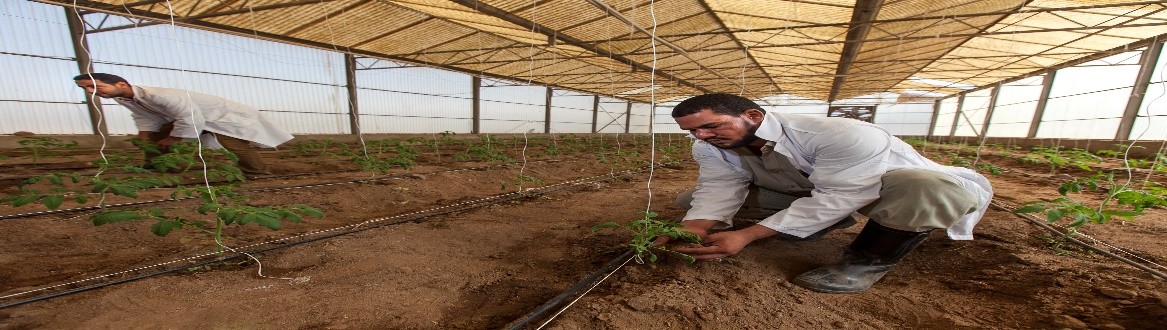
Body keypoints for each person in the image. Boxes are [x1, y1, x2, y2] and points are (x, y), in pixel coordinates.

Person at [665, 93, 993, 293]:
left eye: (712, 126)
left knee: (923, 184)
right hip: (825, 190)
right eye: (692, 131)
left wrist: (747, 235)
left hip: (891, 193)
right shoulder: (711, 147)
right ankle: (818, 224)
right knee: (690, 204)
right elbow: (720, 187)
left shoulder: (840, 134)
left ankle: (866, 263)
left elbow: (839, 196)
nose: (702, 135)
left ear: (752, 116)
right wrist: (694, 226)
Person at [73, 73, 293, 175]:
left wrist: (176, 137)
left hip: (221, 117)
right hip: (190, 118)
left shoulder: (159, 95)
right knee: (154, 139)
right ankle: (158, 166)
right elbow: (146, 118)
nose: (92, 92)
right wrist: (144, 135)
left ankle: (256, 172)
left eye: (95, 87)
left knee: (234, 145)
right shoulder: (127, 98)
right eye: (86, 89)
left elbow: (191, 116)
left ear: (120, 83)